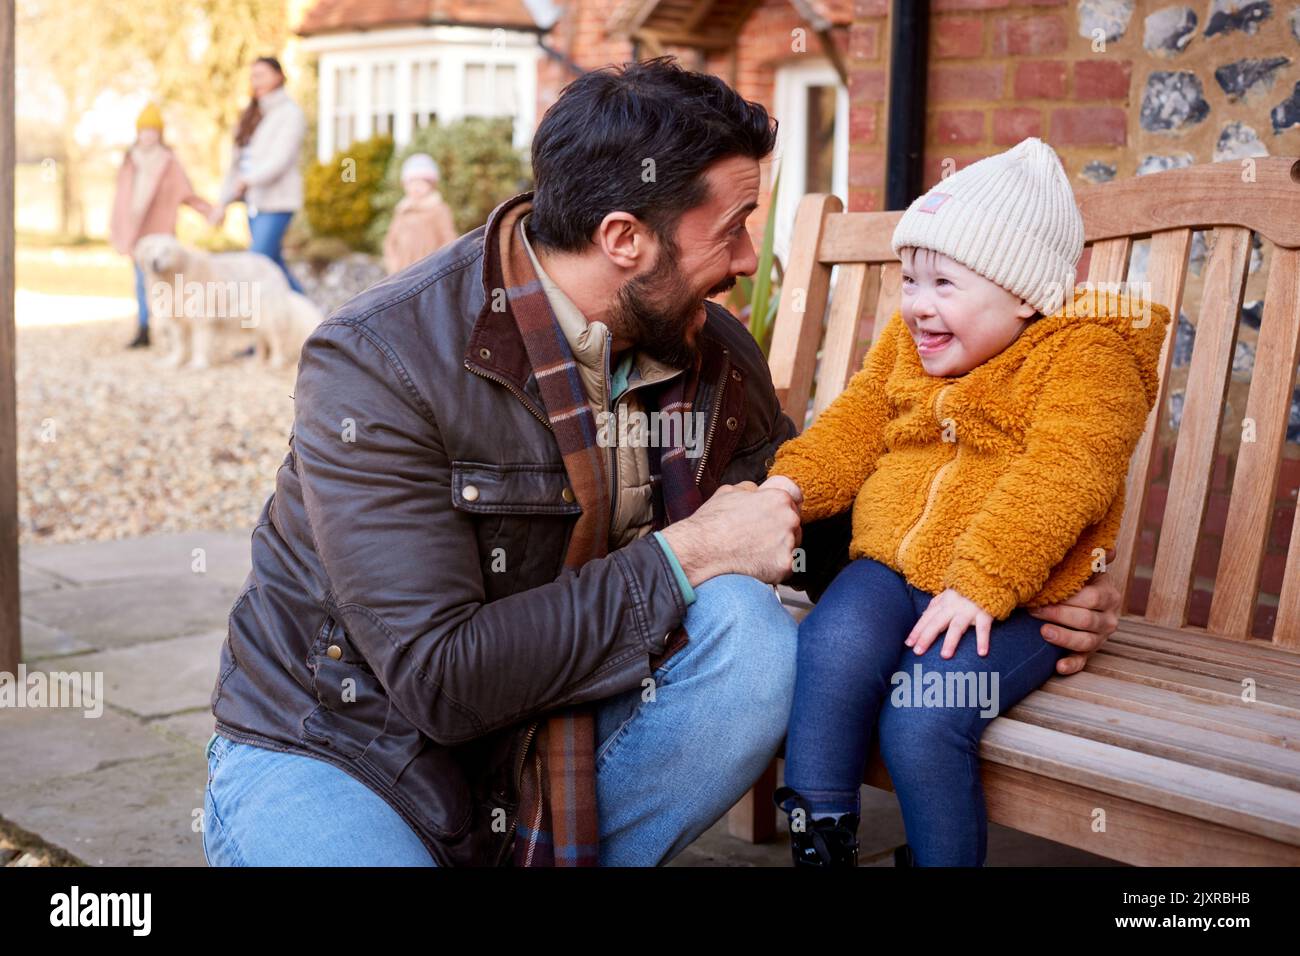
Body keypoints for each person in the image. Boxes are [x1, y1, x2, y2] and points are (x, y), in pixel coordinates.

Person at [201, 61, 1123, 868]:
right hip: (342, 748)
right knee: (713, 584)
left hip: (554, 726)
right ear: (624, 239)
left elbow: (821, 527)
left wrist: (1021, 587)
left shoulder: (709, 348)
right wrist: (684, 556)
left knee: (751, 640)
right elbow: (441, 680)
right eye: (732, 229)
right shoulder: (377, 364)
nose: (750, 259)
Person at [764, 138, 1170, 867]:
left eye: (943, 284)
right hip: (890, 569)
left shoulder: (1087, 358)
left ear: (1022, 293)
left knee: (924, 716)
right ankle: (820, 843)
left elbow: (1065, 473)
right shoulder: (905, 346)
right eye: (909, 279)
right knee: (828, 647)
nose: (916, 306)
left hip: (1014, 602)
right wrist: (786, 487)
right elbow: (854, 426)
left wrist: (983, 579)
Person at [108, 102, 215, 349]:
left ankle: (170, 327)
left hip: (159, 230)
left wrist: (208, 211)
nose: (148, 135)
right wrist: (117, 227)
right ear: (138, 133)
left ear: (160, 133)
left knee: (166, 282)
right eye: (144, 130)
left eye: (153, 131)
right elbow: (120, 198)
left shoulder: (168, 162)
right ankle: (144, 327)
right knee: (140, 280)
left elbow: (185, 192)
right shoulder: (129, 160)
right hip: (135, 231)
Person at [210, 55, 306, 294]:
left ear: (279, 76)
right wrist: (222, 203)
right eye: (253, 76)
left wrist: (248, 180)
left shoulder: (290, 113)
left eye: (262, 75)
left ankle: (248, 325)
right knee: (273, 265)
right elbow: (236, 166)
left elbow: (280, 160)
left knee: (255, 264)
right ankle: (317, 321)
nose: (256, 81)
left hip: (278, 203)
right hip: (255, 204)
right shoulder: (250, 116)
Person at [382, 153, 458, 274]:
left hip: (429, 271)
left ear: (431, 185)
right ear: (405, 185)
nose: (416, 187)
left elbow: (448, 239)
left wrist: (440, 265)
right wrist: (392, 262)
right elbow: (391, 240)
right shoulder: (403, 210)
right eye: (412, 183)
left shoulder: (438, 209)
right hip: (402, 270)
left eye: (421, 183)